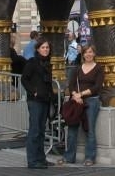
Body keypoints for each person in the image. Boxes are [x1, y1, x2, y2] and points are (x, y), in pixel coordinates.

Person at [59, 44, 104, 167]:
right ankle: (69, 157)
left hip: (92, 100)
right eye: (86, 52)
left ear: (94, 54)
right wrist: (75, 95)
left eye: (90, 52)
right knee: (72, 129)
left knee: (90, 129)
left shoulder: (99, 68)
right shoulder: (77, 69)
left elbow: (97, 87)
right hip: (77, 101)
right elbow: (71, 85)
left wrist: (81, 94)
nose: (88, 54)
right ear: (83, 54)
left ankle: (90, 157)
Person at [21, 37, 53, 169]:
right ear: (38, 49)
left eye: (47, 48)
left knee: (41, 131)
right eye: (43, 48)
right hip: (35, 100)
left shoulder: (47, 63)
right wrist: (33, 91)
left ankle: (41, 158)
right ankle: (33, 160)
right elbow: (24, 79)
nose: (45, 50)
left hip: (45, 99)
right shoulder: (32, 62)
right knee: (34, 130)